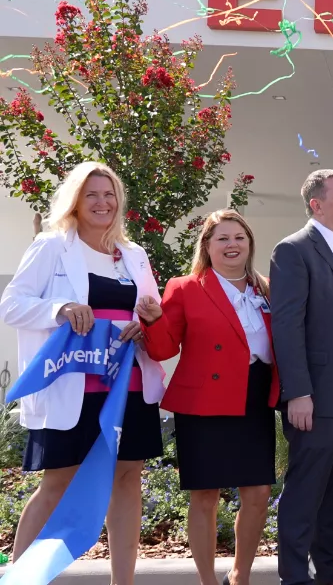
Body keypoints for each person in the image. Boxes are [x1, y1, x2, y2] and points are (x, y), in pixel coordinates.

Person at [0, 162, 165, 583]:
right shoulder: (51, 245)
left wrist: (145, 322)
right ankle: (21, 580)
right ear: (75, 200)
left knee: (127, 480)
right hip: (71, 385)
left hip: (126, 386)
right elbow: (11, 304)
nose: (102, 202)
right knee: (58, 483)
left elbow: (152, 312)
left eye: (109, 194)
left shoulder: (134, 254)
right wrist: (60, 309)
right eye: (91, 194)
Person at [136, 209, 279, 585]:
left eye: (239, 238)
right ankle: (207, 581)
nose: (232, 245)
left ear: (249, 243)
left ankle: (240, 575)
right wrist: (153, 321)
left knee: (259, 492)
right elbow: (164, 349)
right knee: (205, 495)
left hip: (253, 396)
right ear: (208, 245)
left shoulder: (266, 287)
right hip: (204, 402)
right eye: (223, 239)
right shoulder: (185, 286)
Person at [270, 169, 333, 585]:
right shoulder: (293, 250)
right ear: (317, 204)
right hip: (314, 398)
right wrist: (298, 393)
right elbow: (286, 326)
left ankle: (327, 571)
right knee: (304, 492)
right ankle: (293, 577)